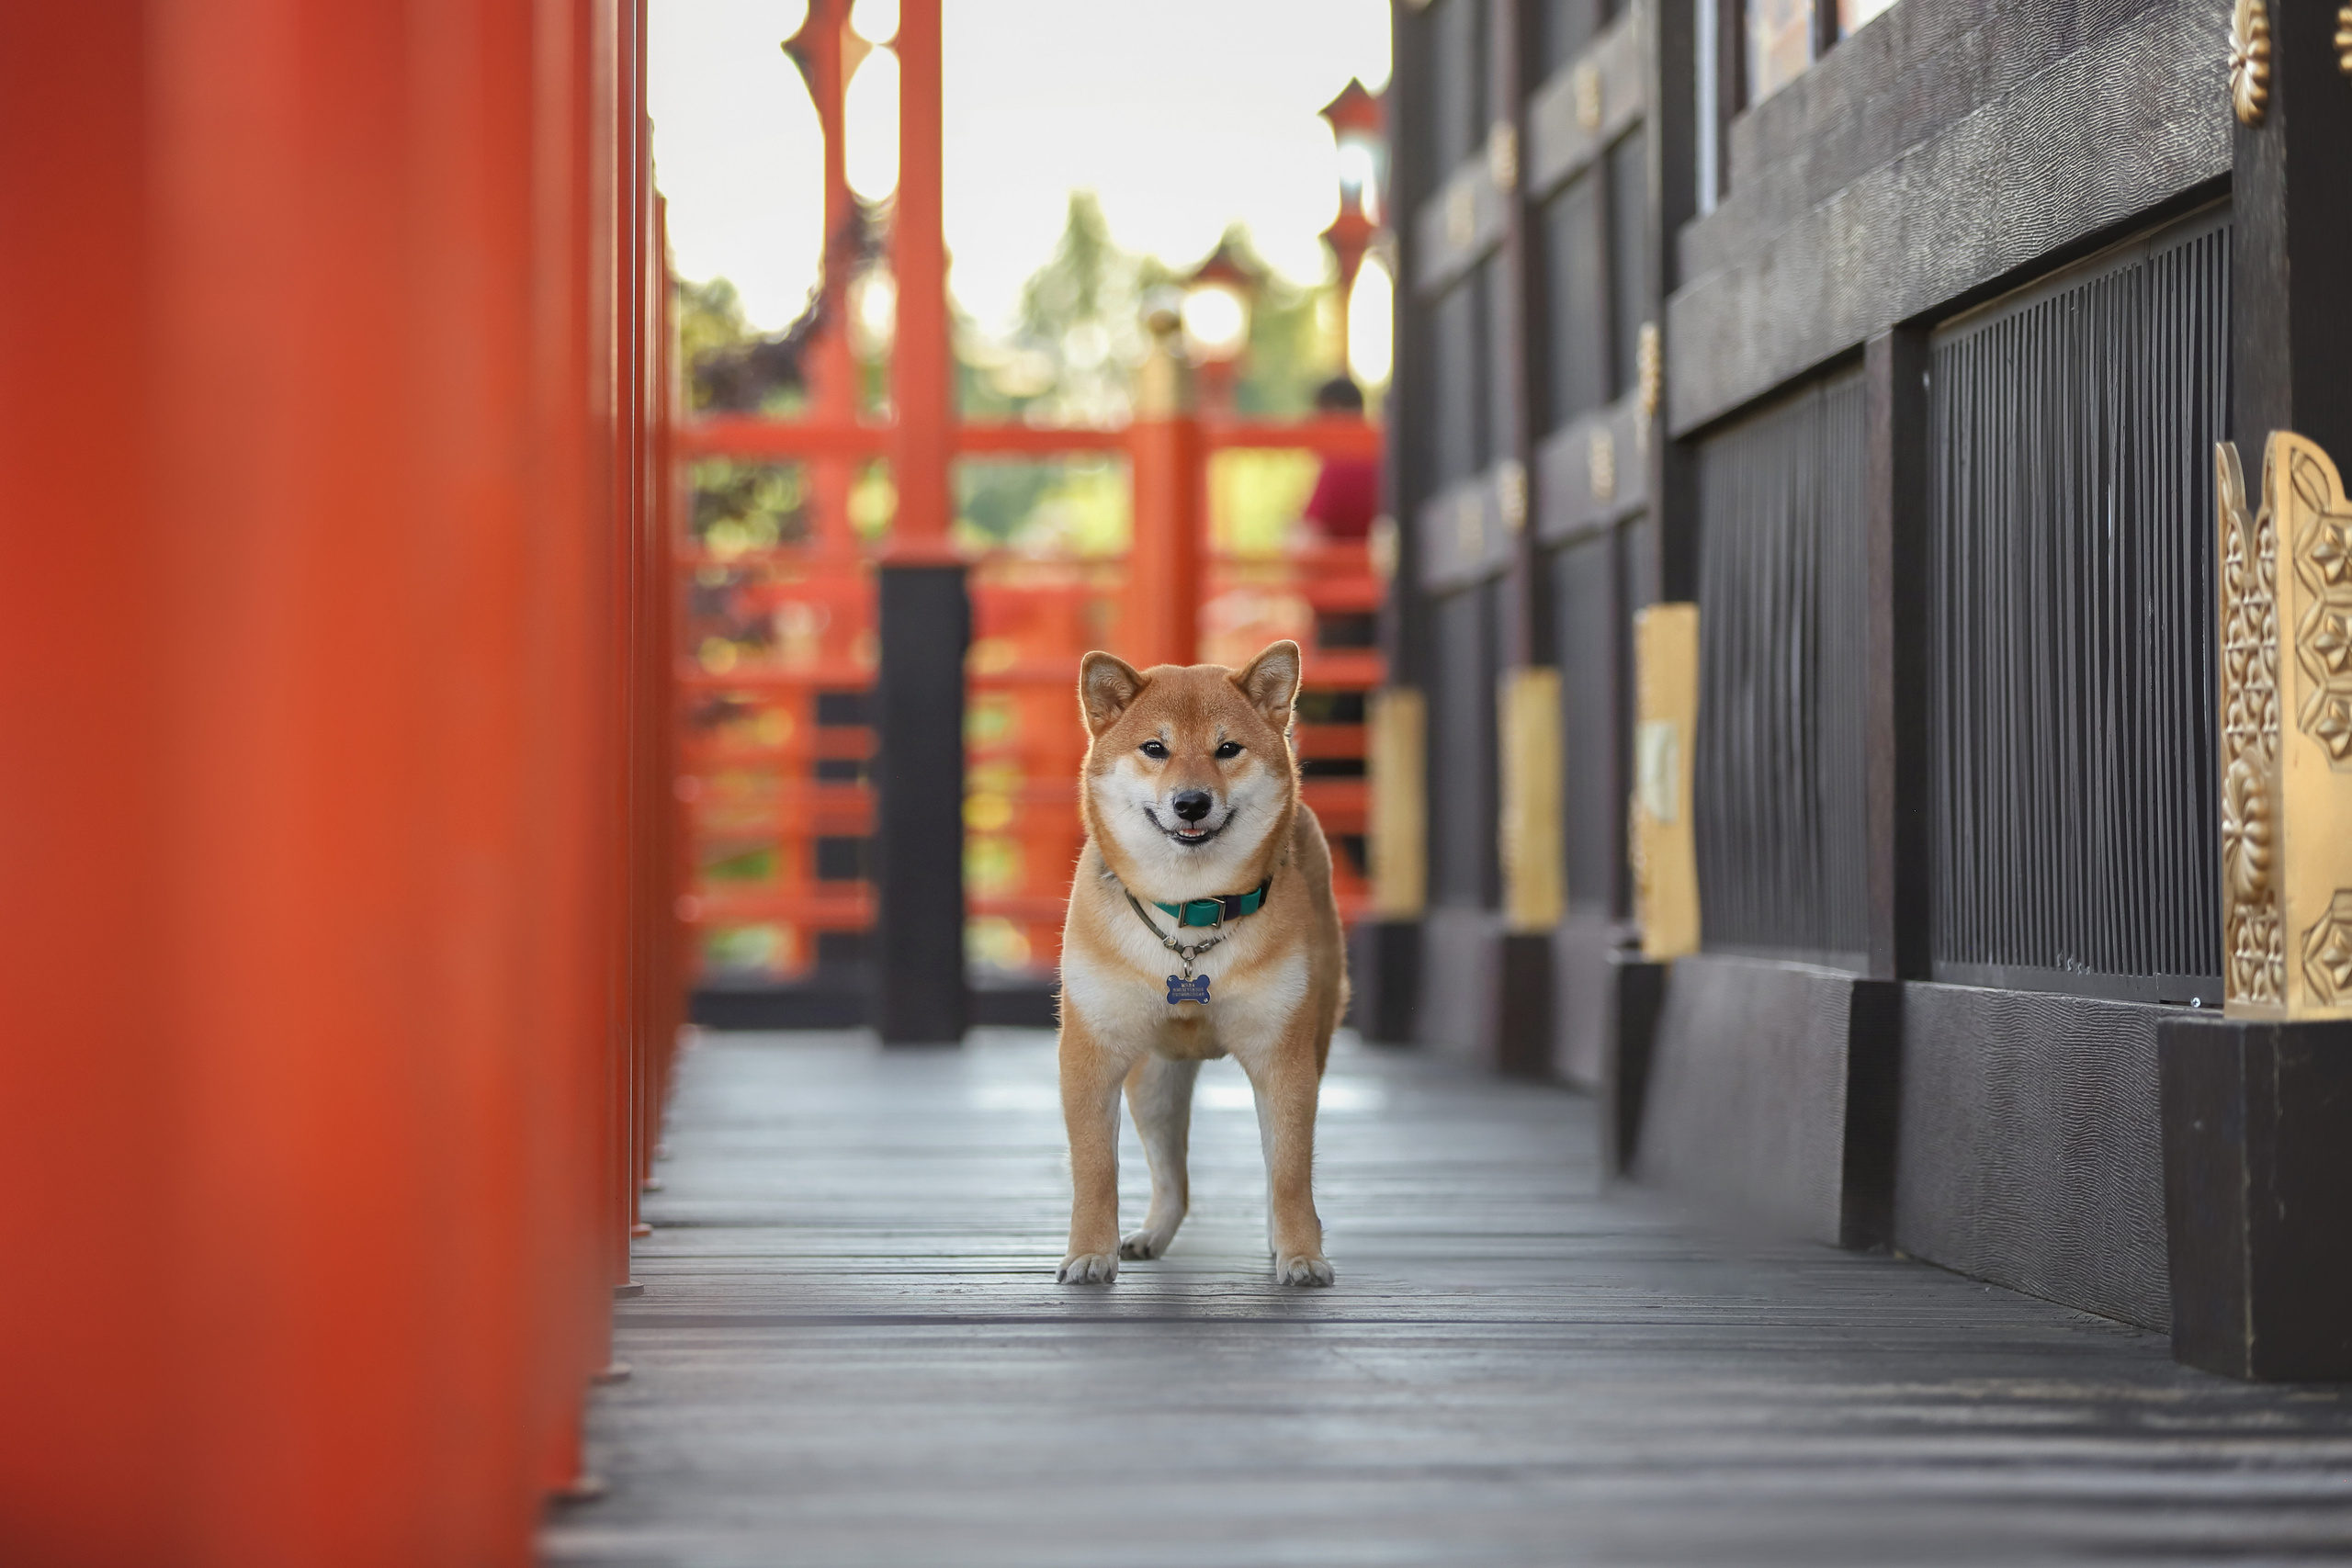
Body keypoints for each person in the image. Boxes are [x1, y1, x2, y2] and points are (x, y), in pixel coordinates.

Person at [1297, 376, 1378, 544]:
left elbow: (1308, 537)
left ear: (1335, 411)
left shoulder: (1341, 463)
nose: (1312, 426)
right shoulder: (1380, 451)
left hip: (1351, 568)